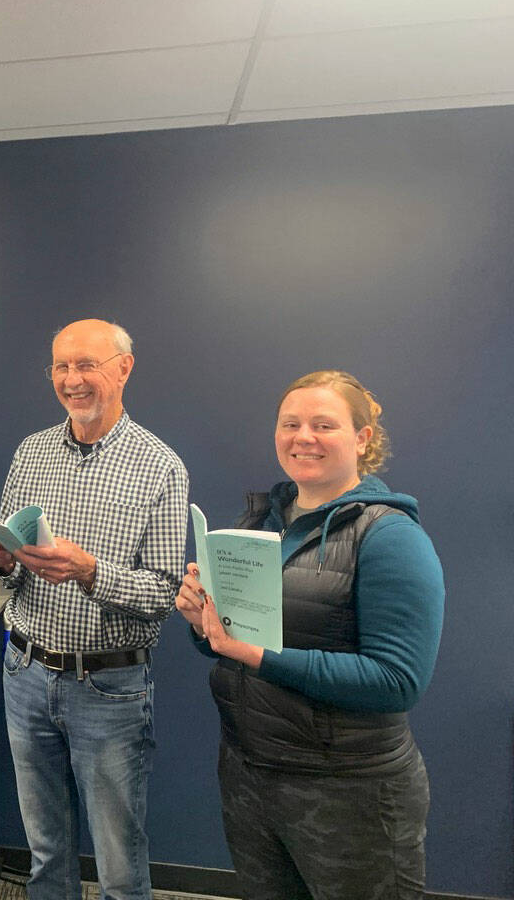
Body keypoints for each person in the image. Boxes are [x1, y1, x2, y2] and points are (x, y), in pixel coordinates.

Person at [176, 370, 444, 900]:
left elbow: (397, 681)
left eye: (324, 424)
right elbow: (235, 644)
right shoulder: (257, 526)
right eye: (290, 423)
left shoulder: (390, 536)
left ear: (362, 438)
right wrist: (204, 625)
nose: (304, 437)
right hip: (250, 775)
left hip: (351, 791)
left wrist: (260, 655)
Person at [0, 319, 188, 900]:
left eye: (86, 365)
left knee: (119, 864)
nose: (72, 380)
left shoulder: (161, 467)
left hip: (110, 685)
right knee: (46, 852)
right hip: (23, 672)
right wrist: (0, 559)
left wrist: (91, 571)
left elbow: (164, 594)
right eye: (61, 367)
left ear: (124, 368)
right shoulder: (32, 452)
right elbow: (15, 564)